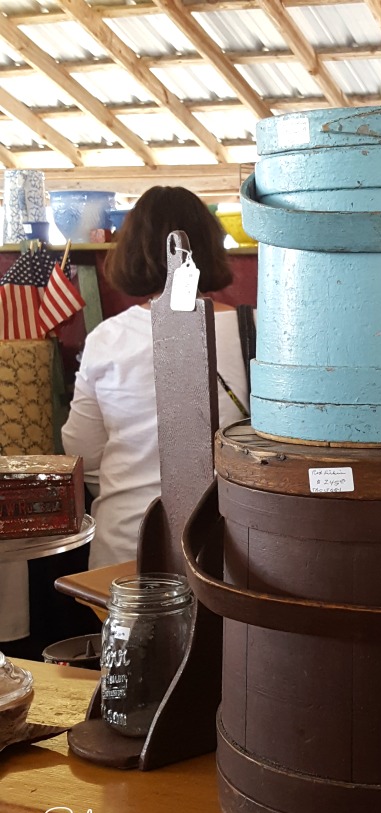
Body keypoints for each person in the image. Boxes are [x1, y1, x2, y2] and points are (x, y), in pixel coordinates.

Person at [62, 186, 251, 569]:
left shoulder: (106, 339)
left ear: (130, 250)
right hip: (226, 549)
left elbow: (80, 450)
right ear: (212, 246)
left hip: (124, 544)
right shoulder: (256, 329)